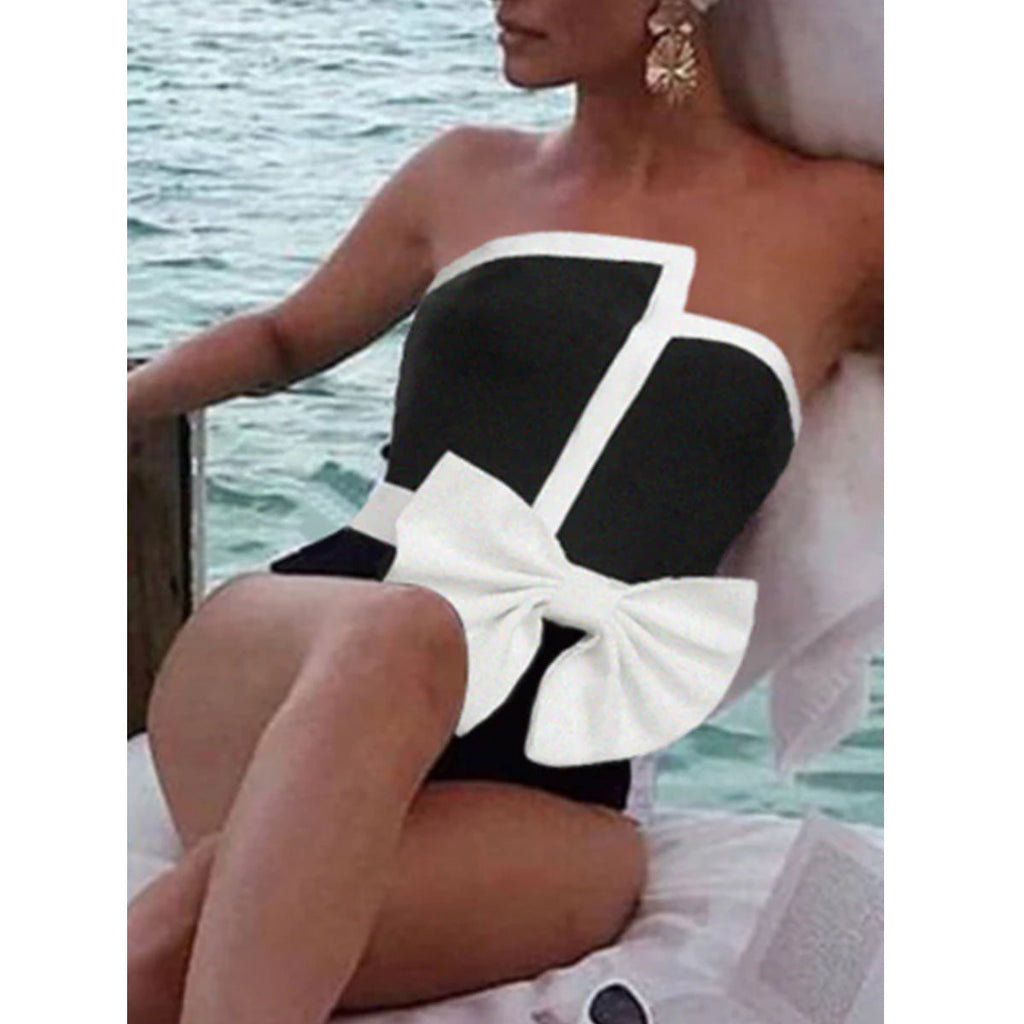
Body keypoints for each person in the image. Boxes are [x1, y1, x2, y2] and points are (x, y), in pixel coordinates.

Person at [126, 2, 883, 1022]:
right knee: (407, 633)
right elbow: (280, 340)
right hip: (317, 645)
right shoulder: (465, 174)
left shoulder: (849, 226)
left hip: (552, 764)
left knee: (179, 944)